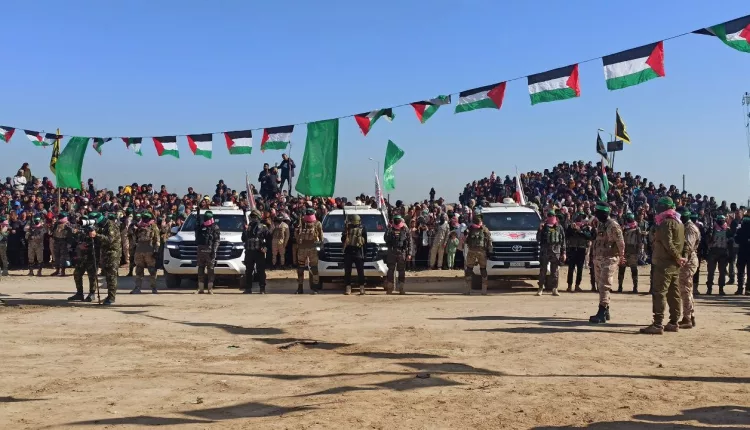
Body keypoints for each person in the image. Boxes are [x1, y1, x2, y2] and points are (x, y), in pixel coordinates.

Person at [640, 197, 685, 334]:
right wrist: (679, 258)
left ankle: (658, 324)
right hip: (674, 264)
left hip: (664, 263)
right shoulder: (679, 222)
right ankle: (674, 322)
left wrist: (677, 257)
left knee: (659, 293)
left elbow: (667, 243)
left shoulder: (665, 223)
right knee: (674, 293)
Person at [589, 202, 625, 324]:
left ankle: (601, 312)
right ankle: (606, 310)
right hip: (599, 258)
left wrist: (622, 256)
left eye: (598, 213)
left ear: (604, 213)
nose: (596, 215)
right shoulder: (600, 224)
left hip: (610, 258)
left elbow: (620, 242)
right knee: (599, 284)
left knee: (604, 285)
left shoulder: (613, 225)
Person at [679, 209, 701, 329]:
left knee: (685, 289)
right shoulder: (685, 226)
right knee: (687, 289)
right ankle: (690, 316)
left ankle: (687, 318)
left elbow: (688, 246)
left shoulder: (690, 228)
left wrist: (683, 259)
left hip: (688, 261)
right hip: (687, 260)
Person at [537, 209, 566, 296]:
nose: (551, 217)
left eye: (552, 216)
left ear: (555, 216)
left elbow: (563, 240)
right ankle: (540, 288)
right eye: (549, 216)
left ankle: (554, 289)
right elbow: (538, 239)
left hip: (556, 251)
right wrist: (540, 230)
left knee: (555, 271)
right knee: (543, 271)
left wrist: (564, 253)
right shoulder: (544, 226)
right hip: (545, 251)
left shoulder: (559, 227)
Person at [69, 217, 98, 303]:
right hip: (81, 257)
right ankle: (79, 293)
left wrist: (88, 246)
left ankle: (92, 293)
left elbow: (97, 243)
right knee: (77, 274)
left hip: (91, 257)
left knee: (92, 276)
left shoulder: (95, 230)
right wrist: (79, 245)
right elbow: (76, 242)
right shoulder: (81, 232)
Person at [242, 210, 271, 294]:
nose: (253, 218)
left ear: (258, 217)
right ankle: (248, 288)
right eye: (252, 217)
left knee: (260, 271)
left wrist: (265, 247)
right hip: (249, 252)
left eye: (254, 217)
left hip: (259, 252)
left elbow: (269, 239)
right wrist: (245, 230)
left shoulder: (263, 227)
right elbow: (243, 239)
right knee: (248, 271)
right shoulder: (248, 227)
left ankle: (262, 288)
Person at [295, 208, 323, 294]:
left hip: (305, 248)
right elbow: (321, 237)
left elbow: (320, 236)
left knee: (304, 268)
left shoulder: (304, 223)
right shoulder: (304, 223)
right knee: (307, 268)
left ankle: (306, 288)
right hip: (309, 248)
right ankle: (311, 288)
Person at [131, 212, 160, 294]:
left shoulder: (153, 227)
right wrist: (133, 228)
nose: (145, 219)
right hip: (139, 250)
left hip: (149, 251)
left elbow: (157, 239)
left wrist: (156, 250)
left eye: (146, 218)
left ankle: (154, 288)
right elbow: (134, 238)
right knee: (139, 270)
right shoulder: (139, 226)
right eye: (144, 218)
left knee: (152, 270)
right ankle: (137, 288)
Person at [463, 214, 491, 295]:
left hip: (472, 251)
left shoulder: (470, 228)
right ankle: (484, 291)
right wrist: (489, 251)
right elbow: (489, 241)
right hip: (481, 252)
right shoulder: (484, 229)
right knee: (483, 269)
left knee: (469, 269)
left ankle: (468, 291)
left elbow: (465, 239)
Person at [194, 208, 220, 294]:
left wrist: (214, 251)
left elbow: (217, 240)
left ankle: (210, 288)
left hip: (210, 251)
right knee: (200, 269)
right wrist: (197, 219)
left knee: (210, 270)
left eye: (207, 218)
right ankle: (201, 288)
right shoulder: (201, 226)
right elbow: (196, 234)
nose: (205, 220)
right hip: (201, 250)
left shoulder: (215, 227)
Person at [384, 214, 411, 295]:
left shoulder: (405, 229)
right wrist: (388, 229)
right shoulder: (390, 229)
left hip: (401, 252)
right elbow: (385, 239)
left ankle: (401, 288)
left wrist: (409, 253)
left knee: (401, 270)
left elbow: (409, 242)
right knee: (391, 270)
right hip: (392, 251)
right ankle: (390, 288)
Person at [705, 214, 732, 295]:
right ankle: (712, 289)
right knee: (713, 272)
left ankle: (718, 289)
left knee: (719, 272)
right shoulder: (713, 229)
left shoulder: (727, 229)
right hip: (716, 252)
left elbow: (730, 242)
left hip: (720, 252)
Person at [341, 213, 367, 295]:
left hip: (350, 252)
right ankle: (361, 288)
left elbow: (342, 240)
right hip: (356, 252)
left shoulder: (348, 228)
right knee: (360, 271)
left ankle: (349, 288)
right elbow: (365, 242)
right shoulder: (361, 228)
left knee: (348, 271)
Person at [565, 212, 591, 292]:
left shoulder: (586, 228)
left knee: (580, 269)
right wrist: (572, 229)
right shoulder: (571, 227)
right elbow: (567, 235)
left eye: (582, 218)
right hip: (572, 249)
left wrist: (580, 231)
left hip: (581, 250)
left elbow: (589, 236)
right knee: (571, 268)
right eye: (579, 218)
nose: (581, 220)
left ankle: (577, 285)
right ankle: (569, 286)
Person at [618, 213, 642, 293]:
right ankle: (620, 286)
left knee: (634, 270)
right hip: (625, 251)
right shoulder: (623, 228)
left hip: (633, 251)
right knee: (622, 269)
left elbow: (639, 241)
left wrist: (639, 251)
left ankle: (635, 287)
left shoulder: (637, 229)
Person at [734, 211, 750, 296]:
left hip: (742, 252)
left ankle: (740, 289)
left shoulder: (740, 229)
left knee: (740, 272)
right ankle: (748, 289)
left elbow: (736, 240)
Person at [52, 212, 73, 276]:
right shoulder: (56, 224)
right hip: (56, 241)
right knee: (56, 256)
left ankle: (63, 271)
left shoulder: (67, 224)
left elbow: (71, 233)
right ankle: (57, 270)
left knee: (63, 257)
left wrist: (69, 243)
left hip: (64, 242)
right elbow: (52, 231)